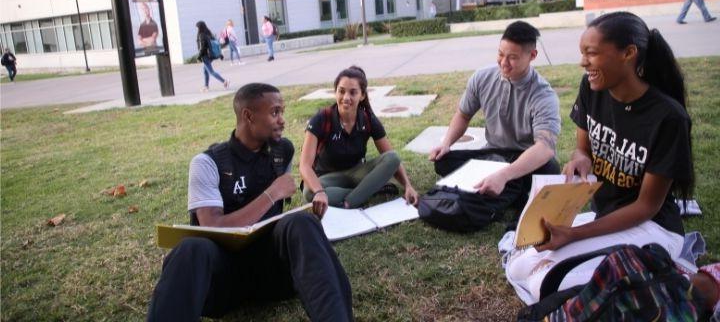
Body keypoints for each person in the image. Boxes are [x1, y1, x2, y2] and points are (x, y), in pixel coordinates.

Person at [506, 11, 695, 304]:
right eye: (583, 53)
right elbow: (582, 148)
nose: (583, 62)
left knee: (545, 282)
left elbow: (646, 206)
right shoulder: (593, 89)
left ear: (628, 54)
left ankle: (667, 267)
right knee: (517, 267)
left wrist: (574, 234)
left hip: (652, 227)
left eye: (591, 53)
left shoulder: (668, 118)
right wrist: (581, 157)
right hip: (605, 215)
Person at [147, 83, 353, 322]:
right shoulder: (207, 163)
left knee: (302, 222)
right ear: (248, 116)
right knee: (191, 248)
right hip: (222, 283)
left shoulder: (282, 150)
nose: (282, 120)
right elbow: (211, 225)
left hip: (272, 277)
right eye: (275, 112)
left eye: (282, 112)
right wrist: (271, 194)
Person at [427, 21, 561, 225]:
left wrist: (505, 175)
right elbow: (463, 115)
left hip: (524, 159)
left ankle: (504, 188)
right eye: (500, 54)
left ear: (532, 56)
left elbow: (545, 147)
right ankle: (510, 192)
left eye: (513, 57)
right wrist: (446, 143)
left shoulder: (543, 95)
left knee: (549, 169)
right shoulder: (482, 77)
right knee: (444, 161)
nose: (503, 62)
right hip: (492, 156)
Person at [300, 66, 418, 216]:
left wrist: (408, 186)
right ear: (335, 92)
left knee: (393, 157)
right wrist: (319, 192)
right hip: (328, 177)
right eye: (341, 91)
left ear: (362, 95)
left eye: (353, 92)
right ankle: (369, 190)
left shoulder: (368, 118)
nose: (346, 97)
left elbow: (390, 156)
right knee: (310, 193)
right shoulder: (322, 118)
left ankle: (349, 202)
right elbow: (304, 166)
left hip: (358, 173)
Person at [196, 21, 229, 92]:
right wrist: (220, 54)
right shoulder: (208, 33)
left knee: (211, 72)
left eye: (197, 27)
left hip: (205, 56)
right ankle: (206, 87)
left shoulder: (201, 35)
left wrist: (199, 57)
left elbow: (202, 48)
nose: (197, 29)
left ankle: (224, 81)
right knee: (205, 71)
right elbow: (216, 44)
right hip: (210, 56)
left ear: (199, 27)